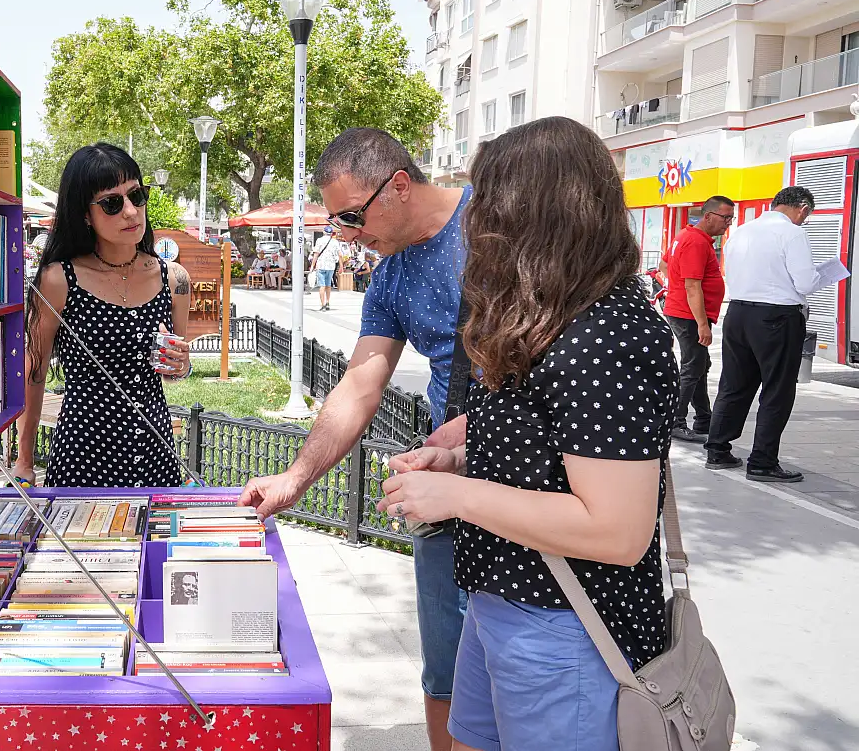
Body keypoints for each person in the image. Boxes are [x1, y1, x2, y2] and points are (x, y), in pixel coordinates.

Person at [379, 117, 678, 751]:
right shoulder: (549, 318)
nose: (470, 224)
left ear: (532, 216)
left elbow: (616, 530)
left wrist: (457, 498)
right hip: (507, 601)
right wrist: (457, 460)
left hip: (569, 627)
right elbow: (548, 451)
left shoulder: (606, 336)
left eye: (485, 203)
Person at [239, 128, 470, 751]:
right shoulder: (392, 275)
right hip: (442, 483)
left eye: (350, 215)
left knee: (518, 665)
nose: (344, 234)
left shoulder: (495, 223)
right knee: (447, 667)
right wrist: (295, 477)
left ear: (398, 186)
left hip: (525, 475)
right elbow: (359, 386)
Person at [14, 143, 192, 488]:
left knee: (154, 542)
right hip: (84, 454)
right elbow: (33, 372)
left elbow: (173, 370)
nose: (130, 211)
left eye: (136, 196)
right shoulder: (58, 279)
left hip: (155, 453)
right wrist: (24, 460)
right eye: (112, 202)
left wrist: (180, 365)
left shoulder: (173, 278)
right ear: (84, 213)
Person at [706, 185, 837, 482]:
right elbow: (804, 283)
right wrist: (823, 276)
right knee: (777, 389)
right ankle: (763, 461)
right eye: (806, 215)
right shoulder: (792, 234)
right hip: (776, 317)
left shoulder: (741, 231)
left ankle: (717, 450)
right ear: (802, 208)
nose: (804, 221)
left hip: (738, 313)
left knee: (734, 384)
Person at [663, 196, 734, 443]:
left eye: (731, 218)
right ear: (708, 216)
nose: (728, 223)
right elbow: (693, 286)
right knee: (693, 366)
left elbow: (664, 266)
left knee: (700, 366)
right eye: (725, 217)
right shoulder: (695, 242)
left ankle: (703, 418)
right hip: (688, 314)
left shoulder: (686, 235)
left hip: (683, 310)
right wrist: (703, 324)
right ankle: (676, 420)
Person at [309, 226, 345, 310]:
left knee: (322, 285)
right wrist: (341, 267)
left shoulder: (319, 240)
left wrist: (312, 266)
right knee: (328, 285)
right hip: (331, 266)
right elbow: (340, 254)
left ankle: (323, 304)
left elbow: (316, 254)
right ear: (331, 233)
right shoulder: (335, 242)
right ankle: (328, 302)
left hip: (321, 265)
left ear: (324, 232)